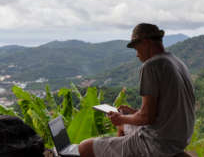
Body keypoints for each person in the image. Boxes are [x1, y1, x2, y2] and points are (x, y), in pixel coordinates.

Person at [78, 23, 195, 157]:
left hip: (157, 143)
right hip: (178, 140)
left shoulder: (151, 65)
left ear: (145, 42)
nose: (137, 55)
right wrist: (134, 113)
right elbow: (166, 110)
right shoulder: (177, 62)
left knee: (84, 147)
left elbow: (147, 118)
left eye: (136, 48)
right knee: (122, 125)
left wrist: (121, 118)